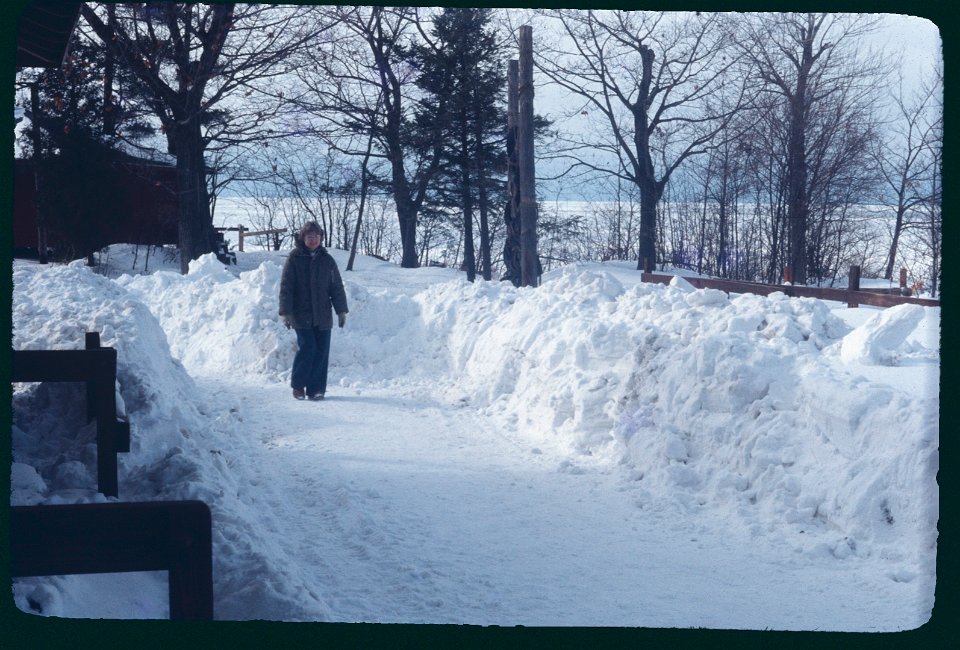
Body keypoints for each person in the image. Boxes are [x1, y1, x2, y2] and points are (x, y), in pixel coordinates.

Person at [278, 221, 349, 401]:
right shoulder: (295, 258)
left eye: (316, 237)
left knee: (321, 351)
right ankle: (298, 386)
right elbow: (287, 286)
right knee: (308, 347)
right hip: (301, 314)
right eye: (309, 236)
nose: (313, 240)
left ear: (320, 238)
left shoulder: (327, 260)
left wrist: (341, 310)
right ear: (303, 237)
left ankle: (316, 389)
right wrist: (285, 312)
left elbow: (336, 287)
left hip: (323, 314)